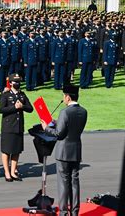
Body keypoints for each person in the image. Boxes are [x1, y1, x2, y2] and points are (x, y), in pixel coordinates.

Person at [41, 85, 87, 216]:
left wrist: (46, 128)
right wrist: (56, 122)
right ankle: (75, 211)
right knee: (75, 182)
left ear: (67, 96)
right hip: (76, 150)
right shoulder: (83, 111)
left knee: (63, 183)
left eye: (64, 96)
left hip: (63, 152)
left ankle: (63, 212)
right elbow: (70, 126)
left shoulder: (65, 112)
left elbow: (59, 134)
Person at [0, 73, 33, 182]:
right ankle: (7, 172)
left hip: (18, 126)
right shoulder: (6, 95)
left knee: (16, 150)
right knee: (6, 150)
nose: (17, 84)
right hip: (8, 126)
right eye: (15, 82)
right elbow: (1, 109)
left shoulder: (22, 95)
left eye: (18, 82)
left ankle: (13, 171)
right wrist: (14, 107)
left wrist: (22, 106)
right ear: (11, 83)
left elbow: (30, 108)